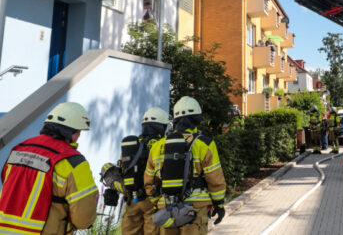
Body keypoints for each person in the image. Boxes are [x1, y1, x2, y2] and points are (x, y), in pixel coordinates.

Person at [0, 102, 97, 234]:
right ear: (71, 131)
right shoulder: (74, 162)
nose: (79, 135)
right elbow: (83, 219)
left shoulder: (19, 149)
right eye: (79, 131)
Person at [145, 96, 226, 234]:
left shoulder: (157, 146)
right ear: (197, 118)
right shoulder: (204, 144)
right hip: (195, 210)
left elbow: (149, 182)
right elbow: (215, 180)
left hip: (167, 210)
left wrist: (157, 203)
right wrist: (219, 204)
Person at [101, 107, 170, 235]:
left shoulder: (132, 146)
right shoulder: (161, 145)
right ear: (162, 126)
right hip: (153, 200)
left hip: (133, 200)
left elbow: (123, 168)